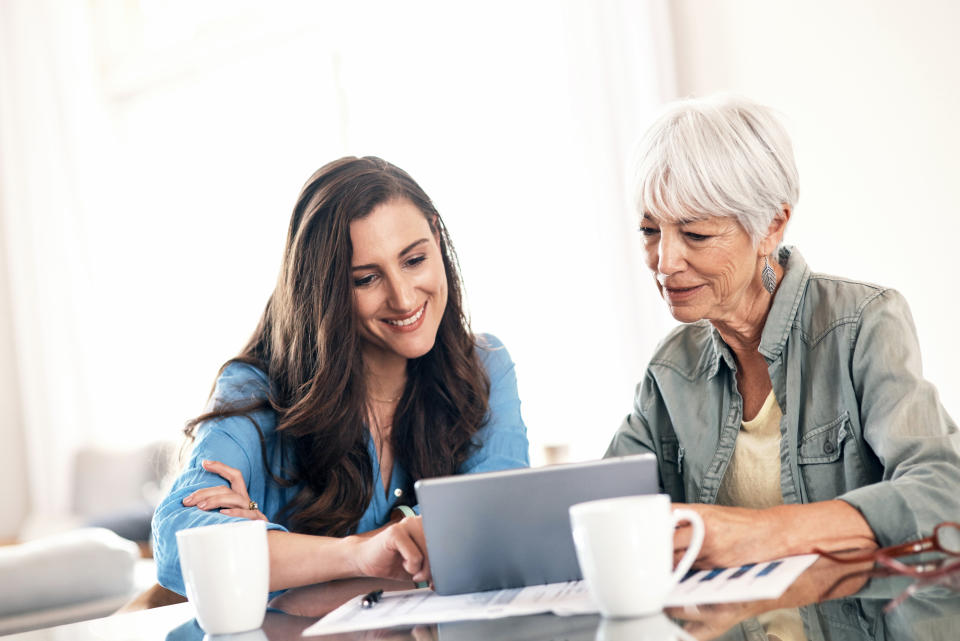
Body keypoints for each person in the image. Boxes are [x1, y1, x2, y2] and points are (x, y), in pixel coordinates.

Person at [606, 95, 960, 638]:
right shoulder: (671, 369)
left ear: (771, 225)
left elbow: (944, 496)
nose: (665, 262)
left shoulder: (861, 323)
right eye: (650, 231)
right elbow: (601, 511)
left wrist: (763, 534)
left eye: (695, 234)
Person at [152, 156, 529, 597]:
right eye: (366, 278)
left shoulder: (484, 367)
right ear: (326, 291)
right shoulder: (258, 388)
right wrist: (358, 553)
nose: (404, 298)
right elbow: (180, 545)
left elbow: (499, 530)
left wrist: (278, 549)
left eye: (414, 260)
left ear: (437, 236)